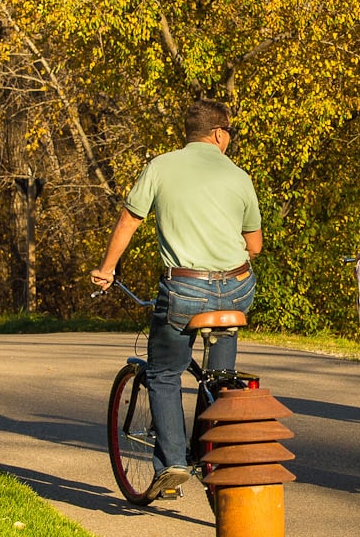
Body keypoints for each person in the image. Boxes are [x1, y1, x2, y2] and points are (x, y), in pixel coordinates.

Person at [90, 99, 262, 498]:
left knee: (164, 373)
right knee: (219, 381)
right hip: (236, 290)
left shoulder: (161, 167)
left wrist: (108, 269)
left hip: (184, 289)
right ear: (219, 134)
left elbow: (130, 220)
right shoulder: (240, 177)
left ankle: (173, 464)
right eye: (230, 133)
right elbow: (254, 245)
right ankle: (212, 453)